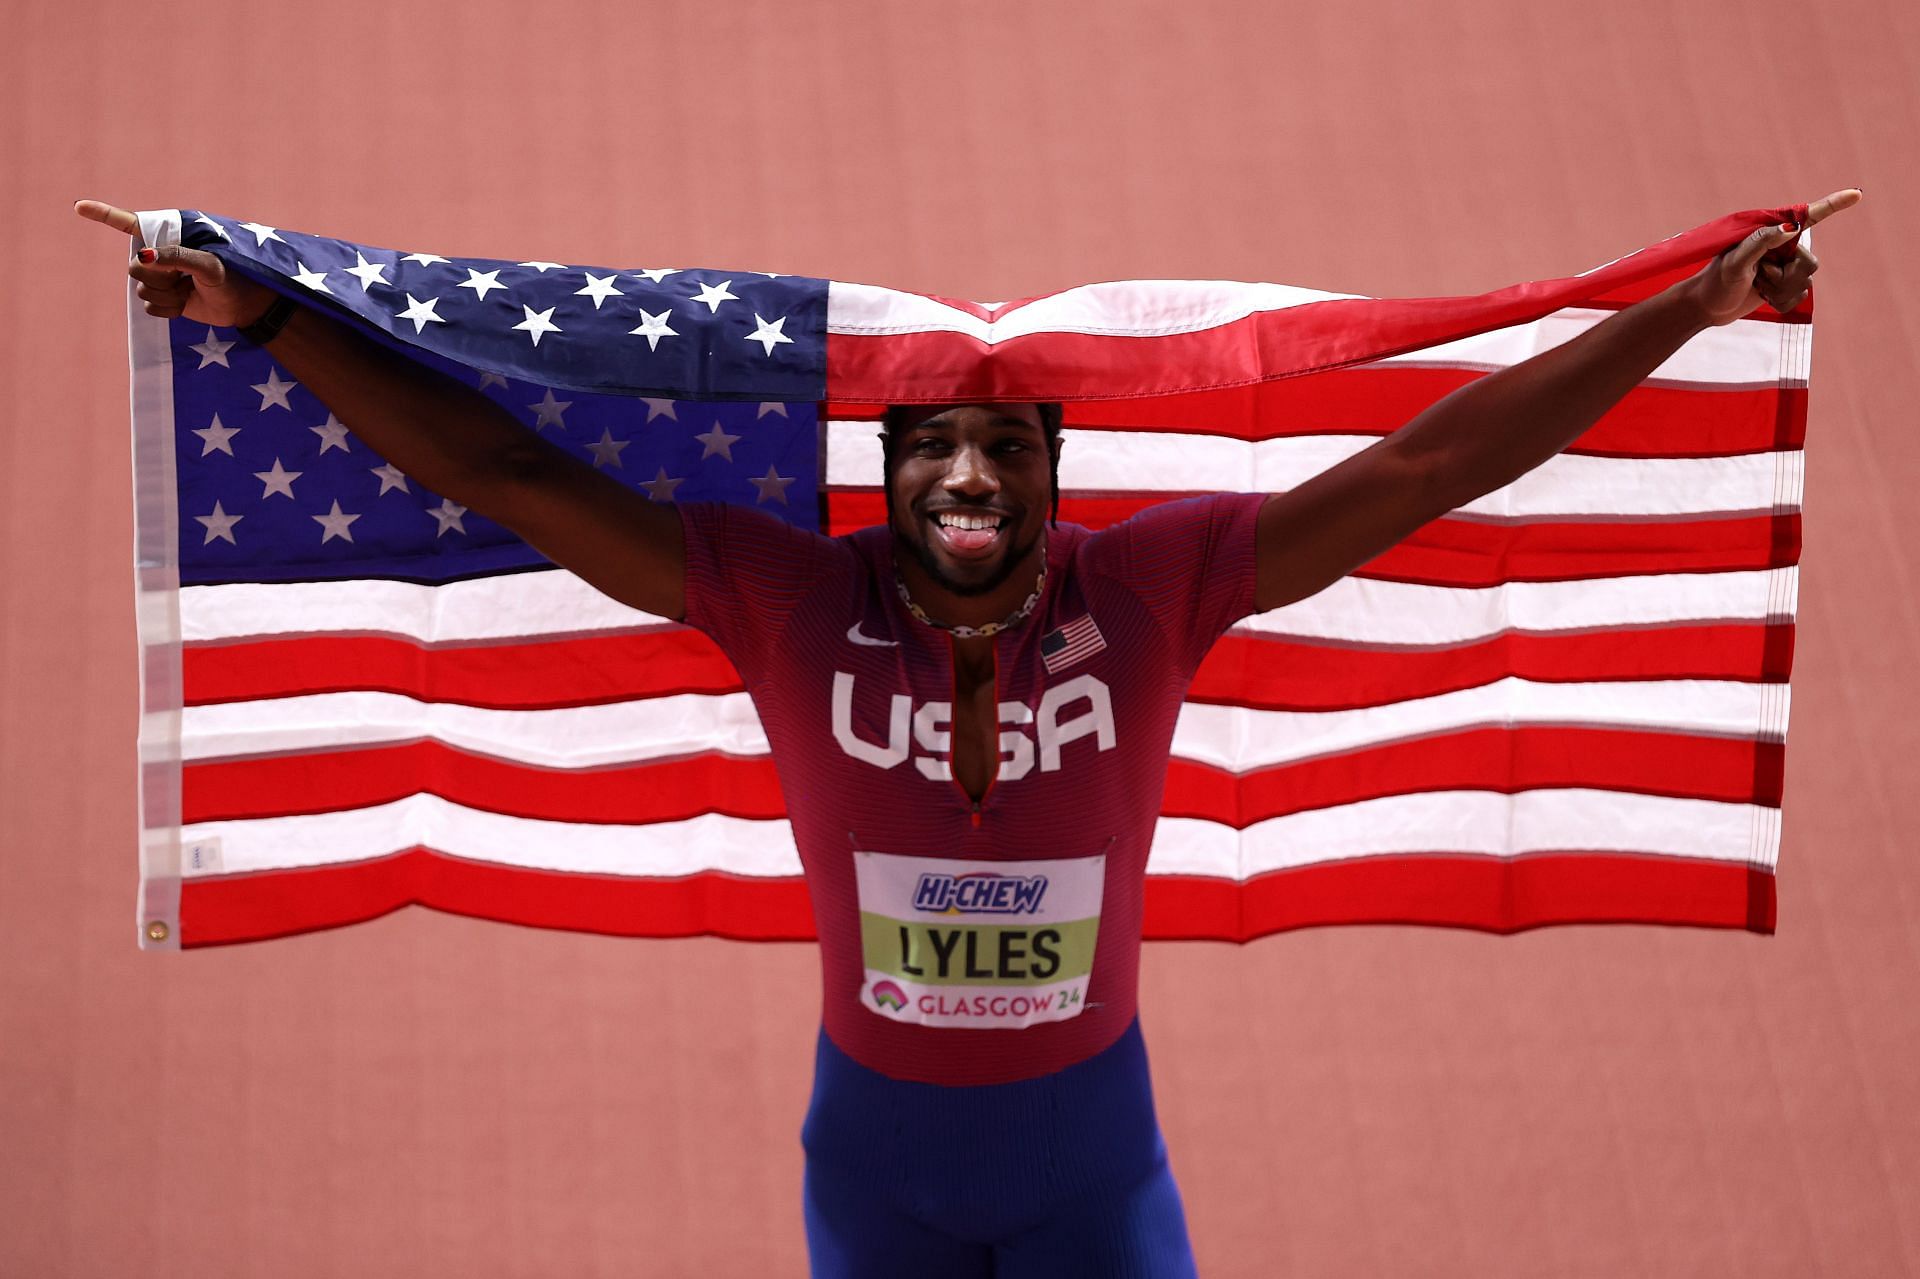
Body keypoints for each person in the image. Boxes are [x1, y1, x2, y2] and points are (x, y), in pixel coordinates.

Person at [79, 191, 1855, 1277]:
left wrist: (1685, 308)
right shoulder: (779, 597)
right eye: (933, 442)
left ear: (1056, 474)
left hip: (1098, 1169)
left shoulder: (1162, 586)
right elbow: (503, 470)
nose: (969, 470)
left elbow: (1429, 464)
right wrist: (277, 314)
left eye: (1007, 441)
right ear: (888, 475)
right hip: (877, 1178)